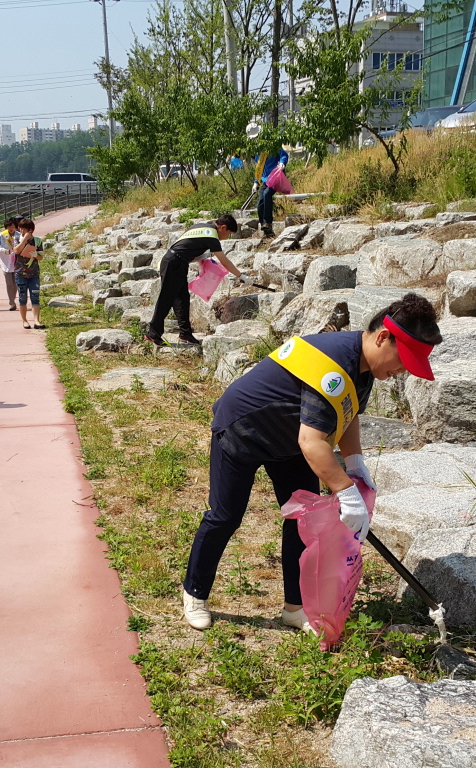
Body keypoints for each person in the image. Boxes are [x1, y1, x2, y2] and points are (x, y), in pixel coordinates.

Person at [181, 293, 443, 632]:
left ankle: (295, 607)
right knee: (225, 516)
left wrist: (355, 464)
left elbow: (347, 416)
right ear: (382, 337)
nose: (400, 372)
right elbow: (313, 441)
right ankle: (195, 593)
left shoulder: (363, 366)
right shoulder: (332, 365)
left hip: (289, 442)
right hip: (242, 431)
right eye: (402, 360)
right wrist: (347, 493)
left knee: (303, 520)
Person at [145, 214, 252, 347]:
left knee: (182, 298)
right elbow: (225, 261)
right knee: (166, 298)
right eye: (228, 233)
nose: (227, 237)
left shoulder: (201, 226)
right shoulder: (212, 235)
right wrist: (241, 276)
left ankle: (185, 333)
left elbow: (187, 245)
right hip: (173, 263)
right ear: (223, 228)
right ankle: (153, 333)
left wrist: (201, 256)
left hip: (177, 262)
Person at [12, 218, 45, 329]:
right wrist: (24, 240)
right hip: (20, 273)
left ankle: (36, 320)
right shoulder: (16, 238)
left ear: (31, 230)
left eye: (25, 229)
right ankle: (24, 321)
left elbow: (41, 257)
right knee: (22, 298)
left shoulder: (37, 241)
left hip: (34, 273)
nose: (22, 231)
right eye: (21, 229)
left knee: (35, 297)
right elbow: (16, 251)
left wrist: (36, 254)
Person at [254, 146, 288, 239]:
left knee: (267, 194)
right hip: (266, 180)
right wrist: (256, 182)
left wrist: (282, 162)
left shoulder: (271, 145)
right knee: (260, 204)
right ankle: (266, 230)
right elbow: (259, 169)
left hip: (277, 177)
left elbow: (283, 155)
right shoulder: (257, 152)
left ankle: (268, 223)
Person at [0, 217, 20, 311]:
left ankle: (12, 299)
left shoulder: (19, 235)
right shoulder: (2, 235)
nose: (11, 228)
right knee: (9, 284)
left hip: (16, 262)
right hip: (5, 262)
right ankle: (12, 303)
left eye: (13, 226)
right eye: (9, 226)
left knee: (16, 284)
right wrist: (3, 250)